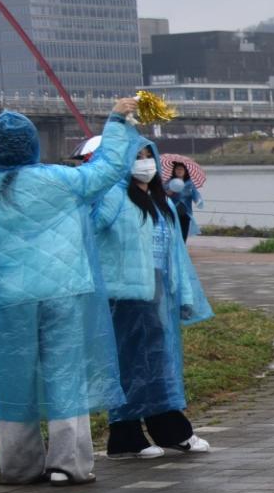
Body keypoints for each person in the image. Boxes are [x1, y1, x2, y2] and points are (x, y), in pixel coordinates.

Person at [0, 103, 135, 484]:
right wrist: (116, 122)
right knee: (66, 374)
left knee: (14, 378)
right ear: (33, 145)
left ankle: (19, 466)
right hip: (66, 291)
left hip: (11, 297)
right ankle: (69, 464)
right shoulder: (63, 179)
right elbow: (109, 169)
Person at [91, 136, 214, 457]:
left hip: (157, 291)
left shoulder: (163, 202)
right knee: (135, 361)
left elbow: (177, 255)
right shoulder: (113, 197)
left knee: (154, 359)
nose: (144, 163)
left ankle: (134, 433)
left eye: (148, 155)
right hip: (124, 295)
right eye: (136, 156)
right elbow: (95, 227)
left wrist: (184, 295)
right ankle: (156, 430)